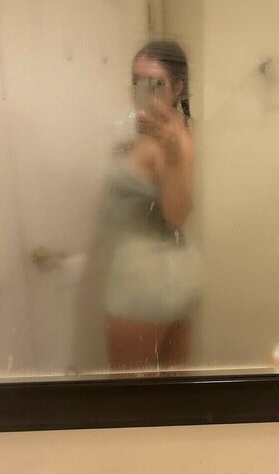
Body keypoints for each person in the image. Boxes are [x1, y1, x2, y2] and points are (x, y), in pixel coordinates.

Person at [93, 40, 200, 372]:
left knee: (128, 396)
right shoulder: (174, 132)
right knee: (172, 394)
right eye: (136, 81)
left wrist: (171, 152)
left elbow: (178, 213)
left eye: (155, 83)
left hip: (142, 287)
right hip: (177, 277)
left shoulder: (170, 141)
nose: (144, 91)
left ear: (177, 88)